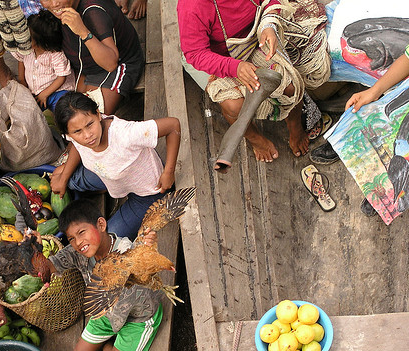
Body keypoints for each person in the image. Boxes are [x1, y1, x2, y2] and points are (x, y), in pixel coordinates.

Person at [178, 0, 330, 164]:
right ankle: (256, 139)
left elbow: (270, 2)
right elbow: (195, 53)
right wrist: (235, 68)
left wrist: (269, 24)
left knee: (290, 86)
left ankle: (295, 126)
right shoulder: (191, 6)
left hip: (252, 39)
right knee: (234, 106)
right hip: (216, 58)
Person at [44, 199, 163, 351]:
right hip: (107, 314)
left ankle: (112, 345)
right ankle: (111, 343)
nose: (78, 242)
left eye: (82, 232)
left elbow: (141, 264)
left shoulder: (126, 251)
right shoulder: (78, 254)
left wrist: (146, 248)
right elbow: (48, 268)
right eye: (71, 238)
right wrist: (32, 250)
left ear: (101, 224)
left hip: (138, 316)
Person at [50, 91, 179, 240]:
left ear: (98, 115)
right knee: (68, 179)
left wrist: (169, 172)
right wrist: (64, 177)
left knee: (106, 238)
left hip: (148, 193)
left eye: (90, 125)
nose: (87, 135)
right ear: (68, 135)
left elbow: (173, 125)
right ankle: (105, 188)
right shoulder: (79, 136)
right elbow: (77, 146)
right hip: (110, 175)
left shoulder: (125, 134)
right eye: (77, 132)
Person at [40, 0, 143, 115]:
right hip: (85, 66)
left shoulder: (93, 11)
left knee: (91, 116)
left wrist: (83, 32)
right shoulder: (61, 10)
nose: (54, 4)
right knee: (72, 114)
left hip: (117, 63)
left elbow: (110, 64)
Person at [13, 9, 74, 111]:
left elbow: (61, 78)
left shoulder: (55, 54)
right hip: (36, 92)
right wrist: (22, 81)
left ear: (40, 41)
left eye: (28, 38)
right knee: (25, 111)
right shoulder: (26, 51)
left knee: (63, 108)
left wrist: (45, 94)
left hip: (57, 92)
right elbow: (21, 61)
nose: (24, 40)